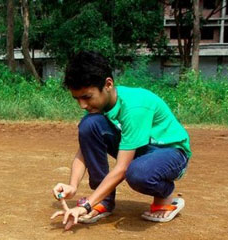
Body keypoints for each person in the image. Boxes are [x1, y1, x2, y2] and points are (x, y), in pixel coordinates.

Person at [51, 51, 191, 230]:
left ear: (108, 84)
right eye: (77, 99)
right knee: (88, 125)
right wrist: (72, 185)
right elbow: (84, 151)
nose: (82, 105)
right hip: (141, 147)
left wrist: (85, 205)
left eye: (86, 97)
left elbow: (123, 168)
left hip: (171, 152)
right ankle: (105, 201)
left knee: (137, 173)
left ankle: (166, 194)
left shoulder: (134, 107)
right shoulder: (99, 105)